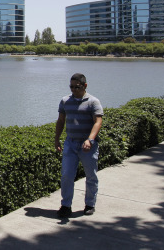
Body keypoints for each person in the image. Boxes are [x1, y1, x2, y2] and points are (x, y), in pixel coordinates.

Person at [54, 73, 103, 218]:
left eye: (77, 87)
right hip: (70, 143)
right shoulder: (65, 101)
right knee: (67, 175)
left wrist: (90, 140)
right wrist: (57, 139)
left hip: (88, 145)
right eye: (71, 87)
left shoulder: (93, 102)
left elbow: (97, 122)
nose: (73, 90)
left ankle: (90, 204)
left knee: (91, 176)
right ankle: (66, 205)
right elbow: (61, 121)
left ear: (85, 86)